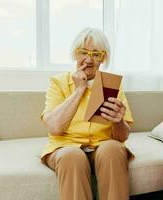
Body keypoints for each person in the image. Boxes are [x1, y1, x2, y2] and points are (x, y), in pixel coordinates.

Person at [40, 27, 134, 200]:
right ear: (75, 54)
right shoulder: (58, 82)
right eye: (83, 52)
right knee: (73, 156)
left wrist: (118, 121)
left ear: (103, 58)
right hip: (65, 146)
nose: (89, 60)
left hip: (102, 145)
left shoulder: (110, 85)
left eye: (96, 54)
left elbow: (122, 137)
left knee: (113, 148)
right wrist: (79, 90)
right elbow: (54, 127)